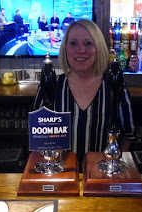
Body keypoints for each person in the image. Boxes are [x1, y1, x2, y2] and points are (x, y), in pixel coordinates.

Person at [34, 19, 135, 170]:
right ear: (65, 49)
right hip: (60, 176)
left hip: (100, 179)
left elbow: (128, 136)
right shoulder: (51, 86)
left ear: (98, 48)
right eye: (73, 43)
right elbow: (36, 137)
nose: (81, 50)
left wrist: (113, 170)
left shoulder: (115, 87)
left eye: (88, 43)